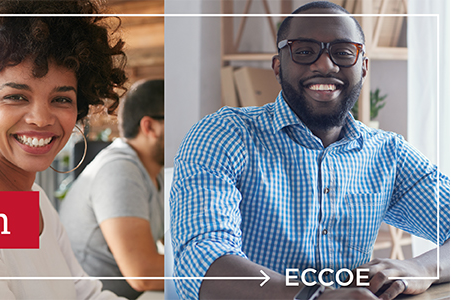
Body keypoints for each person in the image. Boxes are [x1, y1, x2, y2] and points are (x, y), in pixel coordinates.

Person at [170, 1, 450, 300]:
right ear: (278, 66)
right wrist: (313, 297)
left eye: (343, 52)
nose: (326, 65)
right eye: (304, 51)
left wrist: (422, 267)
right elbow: (201, 260)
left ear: (363, 67)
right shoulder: (224, 135)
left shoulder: (389, 153)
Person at [0, 0, 129, 298]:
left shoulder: (37, 202)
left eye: (61, 99)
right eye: (16, 97)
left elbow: (85, 294)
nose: (42, 119)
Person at [60, 79, 165, 299]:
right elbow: (143, 273)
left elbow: (177, 241)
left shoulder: (155, 172)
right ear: (150, 127)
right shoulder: (120, 169)